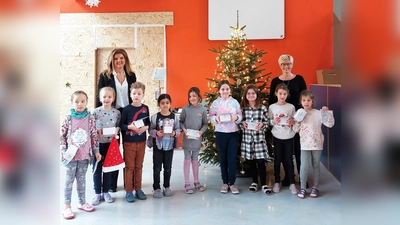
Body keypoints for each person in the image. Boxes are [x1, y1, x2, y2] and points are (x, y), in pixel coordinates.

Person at [96, 48, 137, 192]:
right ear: (111, 60)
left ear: (125, 60)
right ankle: (111, 185)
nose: (119, 61)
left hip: (128, 113)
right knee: (112, 148)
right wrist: (98, 122)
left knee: (128, 149)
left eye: (121, 58)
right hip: (111, 114)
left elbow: (135, 95)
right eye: (116, 58)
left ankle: (129, 183)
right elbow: (98, 98)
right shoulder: (105, 75)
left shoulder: (131, 75)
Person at [60, 91, 100, 220]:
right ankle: (67, 206)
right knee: (69, 180)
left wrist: (96, 151)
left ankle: (82, 202)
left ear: (87, 102)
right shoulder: (68, 118)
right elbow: (61, 136)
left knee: (81, 179)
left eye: (83, 101)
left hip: (84, 155)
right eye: (76, 101)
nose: (80, 104)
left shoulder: (90, 118)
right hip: (70, 156)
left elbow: (94, 135)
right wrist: (63, 151)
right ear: (72, 103)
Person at [268, 54, 306, 187]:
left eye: (289, 63)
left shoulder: (299, 79)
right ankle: (288, 177)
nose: (286, 66)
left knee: (299, 150)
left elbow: (305, 98)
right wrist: (273, 120)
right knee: (285, 152)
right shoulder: (275, 81)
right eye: (284, 64)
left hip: (296, 121)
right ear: (280, 65)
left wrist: (298, 118)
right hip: (281, 124)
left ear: (292, 64)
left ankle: (302, 177)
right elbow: (271, 102)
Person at [293, 90, 335, 199]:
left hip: (317, 144)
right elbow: (295, 129)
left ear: (312, 101)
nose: (306, 102)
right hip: (304, 144)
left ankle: (315, 187)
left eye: (308, 100)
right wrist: (296, 120)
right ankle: (302, 187)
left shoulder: (317, 113)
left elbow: (329, 124)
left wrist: (326, 113)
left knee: (316, 165)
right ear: (301, 102)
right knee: (304, 166)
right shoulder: (300, 113)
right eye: (304, 100)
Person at [209, 80, 242, 194]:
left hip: (233, 132)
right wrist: (215, 119)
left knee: (232, 158)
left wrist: (236, 118)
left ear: (230, 90)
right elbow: (211, 115)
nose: (225, 91)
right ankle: (224, 182)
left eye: (227, 89)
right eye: (223, 89)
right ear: (219, 90)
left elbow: (240, 115)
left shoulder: (235, 102)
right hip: (220, 132)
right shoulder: (215, 103)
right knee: (223, 158)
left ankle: (232, 183)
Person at [119, 82, 150, 203]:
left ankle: (138, 189)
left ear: (143, 95)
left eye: (139, 93)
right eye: (134, 93)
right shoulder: (126, 109)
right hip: (129, 143)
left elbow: (148, 123)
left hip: (141, 142)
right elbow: (122, 125)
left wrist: (146, 128)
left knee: (139, 166)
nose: (136, 96)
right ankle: (128, 191)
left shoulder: (145, 108)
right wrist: (129, 127)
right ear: (130, 94)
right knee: (129, 167)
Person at [91, 87, 120, 205]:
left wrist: (116, 130)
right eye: (104, 97)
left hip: (110, 145)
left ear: (113, 98)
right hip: (98, 145)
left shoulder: (117, 113)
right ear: (100, 98)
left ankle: (106, 192)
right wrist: (96, 130)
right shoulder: (95, 112)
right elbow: (91, 128)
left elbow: (118, 126)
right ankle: (97, 193)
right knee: (97, 169)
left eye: (109, 97)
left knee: (108, 169)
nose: (107, 99)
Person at [239, 85, 271, 194]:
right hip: (247, 140)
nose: (251, 95)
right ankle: (254, 182)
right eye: (248, 93)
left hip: (259, 140)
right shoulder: (243, 109)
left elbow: (267, 123)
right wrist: (243, 124)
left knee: (261, 161)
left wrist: (262, 125)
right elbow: (239, 124)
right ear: (245, 96)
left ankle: (264, 184)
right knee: (251, 161)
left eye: (253, 93)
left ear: (256, 95)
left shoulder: (262, 108)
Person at [268, 84, 298, 195]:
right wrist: (273, 122)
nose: (282, 96)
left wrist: (292, 122)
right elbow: (269, 120)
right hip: (277, 136)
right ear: (276, 94)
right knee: (277, 160)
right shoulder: (272, 107)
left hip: (289, 136)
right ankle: (276, 182)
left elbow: (294, 120)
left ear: (287, 94)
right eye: (280, 93)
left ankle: (291, 182)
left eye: (284, 94)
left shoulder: (291, 107)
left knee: (289, 160)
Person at [149, 94, 181, 198]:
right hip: (158, 146)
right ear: (159, 104)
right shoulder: (155, 117)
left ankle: (167, 186)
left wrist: (174, 134)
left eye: (167, 103)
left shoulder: (175, 117)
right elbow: (150, 130)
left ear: (170, 104)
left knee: (168, 167)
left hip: (169, 146)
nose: (165, 105)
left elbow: (178, 130)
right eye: (162, 103)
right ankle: (156, 188)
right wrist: (157, 133)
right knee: (157, 167)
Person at [179, 87, 208, 194]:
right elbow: (180, 122)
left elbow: (205, 123)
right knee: (187, 159)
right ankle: (187, 183)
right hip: (187, 139)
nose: (192, 98)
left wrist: (201, 132)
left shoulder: (202, 110)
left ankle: (196, 181)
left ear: (199, 97)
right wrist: (184, 130)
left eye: (194, 96)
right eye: (190, 96)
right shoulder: (185, 109)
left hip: (197, 139)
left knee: (195, 160)